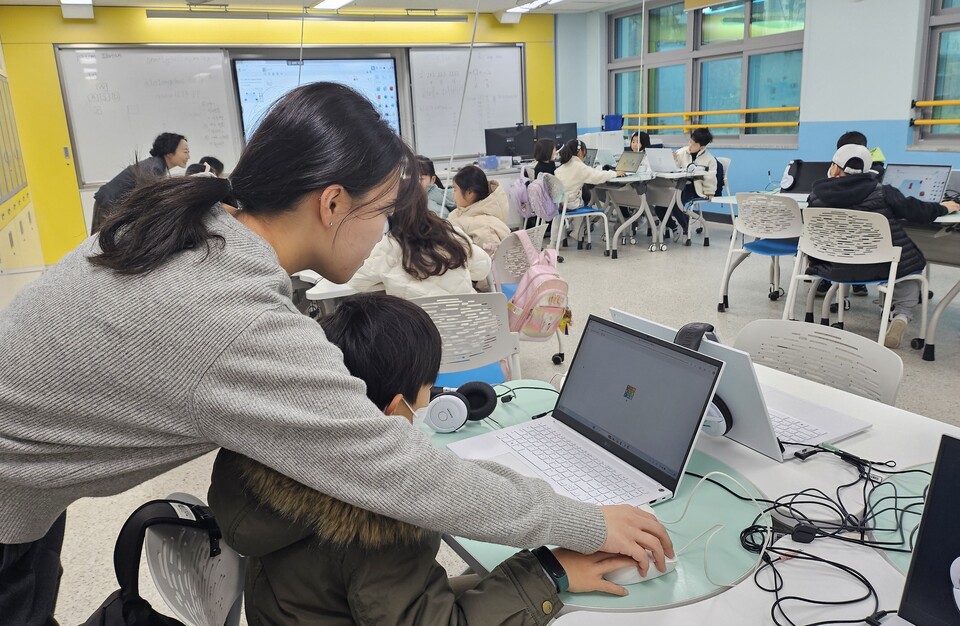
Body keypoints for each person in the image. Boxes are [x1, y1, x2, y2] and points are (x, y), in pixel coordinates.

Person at [0, 82, 673, 625]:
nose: (384, 231)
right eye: (381, 213)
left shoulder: (195, 228)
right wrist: (584, 522)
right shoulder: (233, 318)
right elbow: (402, 473)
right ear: (331, 203)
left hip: (28, 495)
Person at [208, 293, 642, 625]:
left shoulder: (264, 450)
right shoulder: (380, 522)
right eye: (426, 394)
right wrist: (549, 572)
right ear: (396, 410)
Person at [806, 144, 960, 348]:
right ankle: (901, 316)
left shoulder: (816, 196)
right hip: (881, 266)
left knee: (899, 261)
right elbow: (919, 212)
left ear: (834, 168)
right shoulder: (882, 192)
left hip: (834, 267)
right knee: (909, 267)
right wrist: (943, 207)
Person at [348, 185, 491, 298]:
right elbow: (483, 269)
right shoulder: (452, 234)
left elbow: (356, 282)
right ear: (424, 202)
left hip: (418, 326)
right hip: (469, 323)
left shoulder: (386, 247)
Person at [819, 132, 887, 298]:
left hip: (857, 235)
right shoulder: (835, 174)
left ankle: (831, 278)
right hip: (858, 241)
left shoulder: (876, 172)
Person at [90, 132, 190, 232]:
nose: (188, 156)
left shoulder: (158, 165)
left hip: (111, 204)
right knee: (100, 239)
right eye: (185, 152)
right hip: (107, 205)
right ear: (169, 152)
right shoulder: (154, 168)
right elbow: (149, 202)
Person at [661, 127, 718, 239]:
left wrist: (710, 192)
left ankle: (686, 227)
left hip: (694, 188)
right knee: (660, 206)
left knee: (677, 205)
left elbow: (710, 177)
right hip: (677, 185)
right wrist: (672, 159)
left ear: (702, 146)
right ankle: (673, 226)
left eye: (693, 144)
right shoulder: (682, 152)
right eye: (690, 142)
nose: (690, 145)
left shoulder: (709, 159)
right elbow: (673, 168)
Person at [448, 165, 511, 252]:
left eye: (455, 190)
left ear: (470, 193)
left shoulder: (486, 228)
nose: (453, 194)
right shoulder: (461, 213)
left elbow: (492, 259)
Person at [555, 138, 622, 210]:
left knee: (585, 189)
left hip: (559, 204)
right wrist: (615, 173)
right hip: (571, 204)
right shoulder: (579, 166)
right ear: (580, 152)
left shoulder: (559, 168)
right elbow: (597, 177)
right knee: (586, 194)